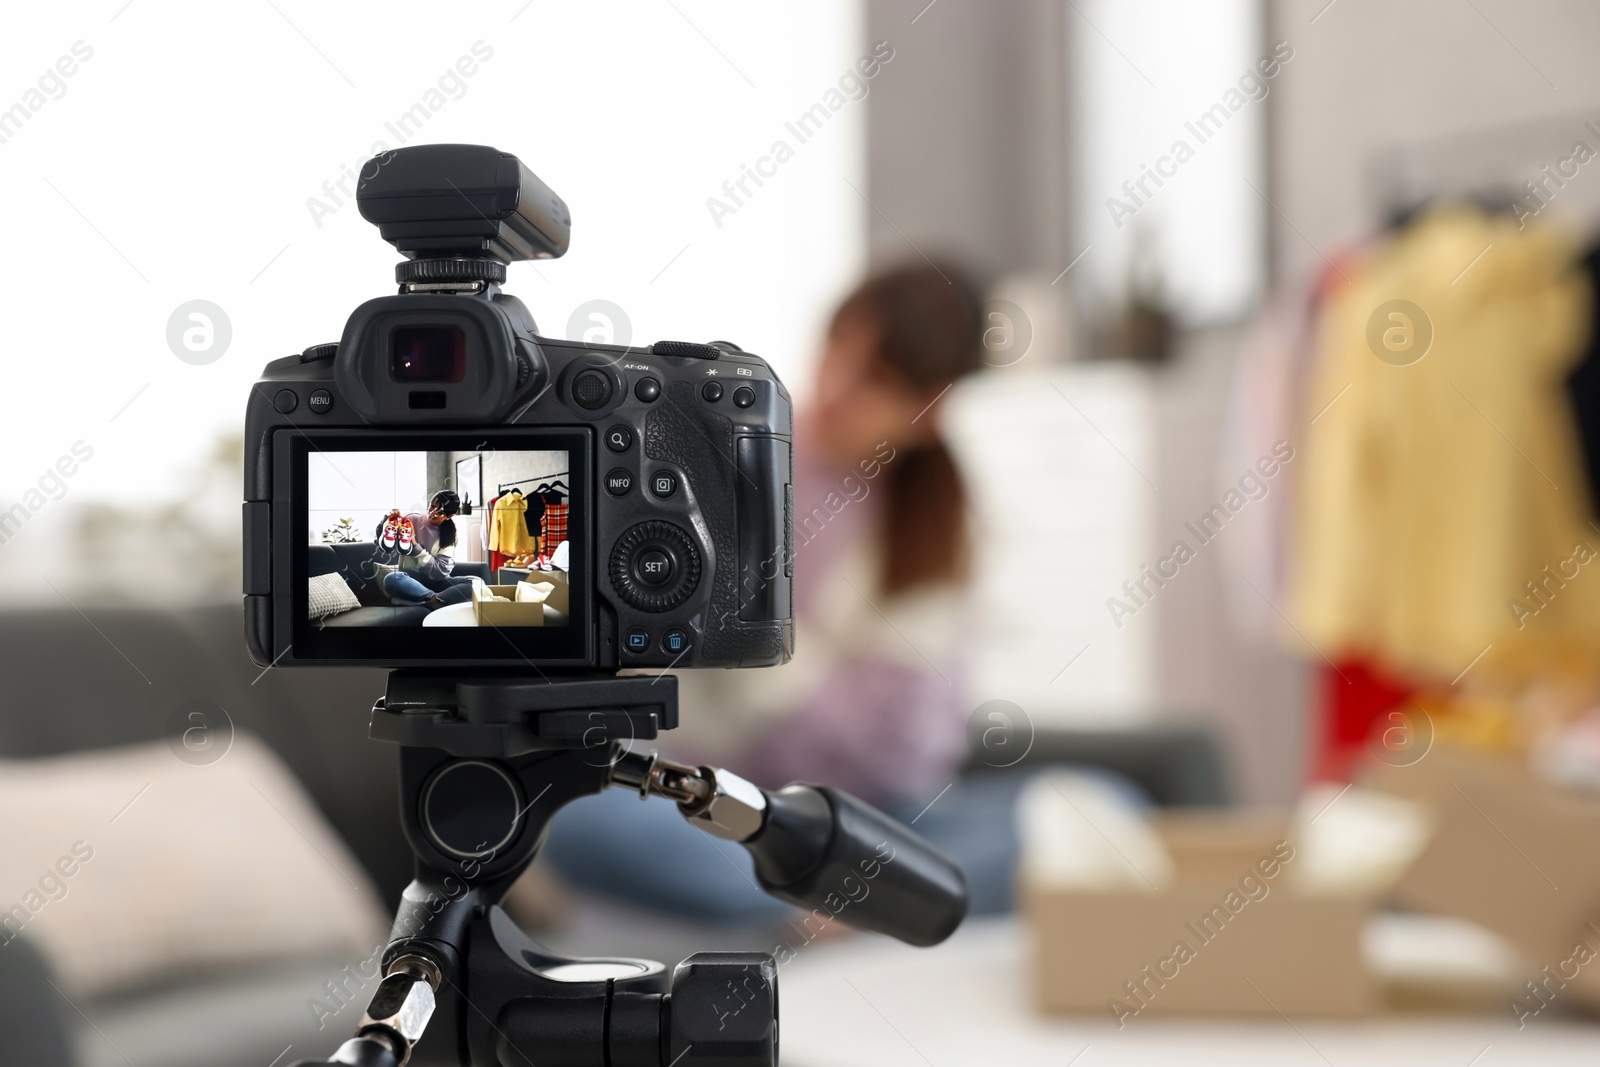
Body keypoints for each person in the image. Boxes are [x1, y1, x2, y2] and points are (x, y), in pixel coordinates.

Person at [537, 262, 1012, 924]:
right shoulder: (717, 450)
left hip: (871, 815)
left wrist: (764, 658)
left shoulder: (937, 524)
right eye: (835, 350)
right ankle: (837, 910)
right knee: (576, 816)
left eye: (875, 378)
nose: (836, 387)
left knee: (1084, 808)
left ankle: (827, 902)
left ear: (929, 412)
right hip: (707, 797)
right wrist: (814, 678)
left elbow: (897, 754)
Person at [377, 490, 476, 609]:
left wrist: (414, 545)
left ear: (449, 516)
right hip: (411, 581)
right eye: (432, 507)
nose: (433, 513)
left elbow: (438, 572)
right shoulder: (412, 520)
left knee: (476, 583)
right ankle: (437, 599)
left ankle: (430, 599)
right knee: (391, 579)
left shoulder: (450, 535)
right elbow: (386, 545)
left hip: (439, 582)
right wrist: (387, 520)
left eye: (440, 512)